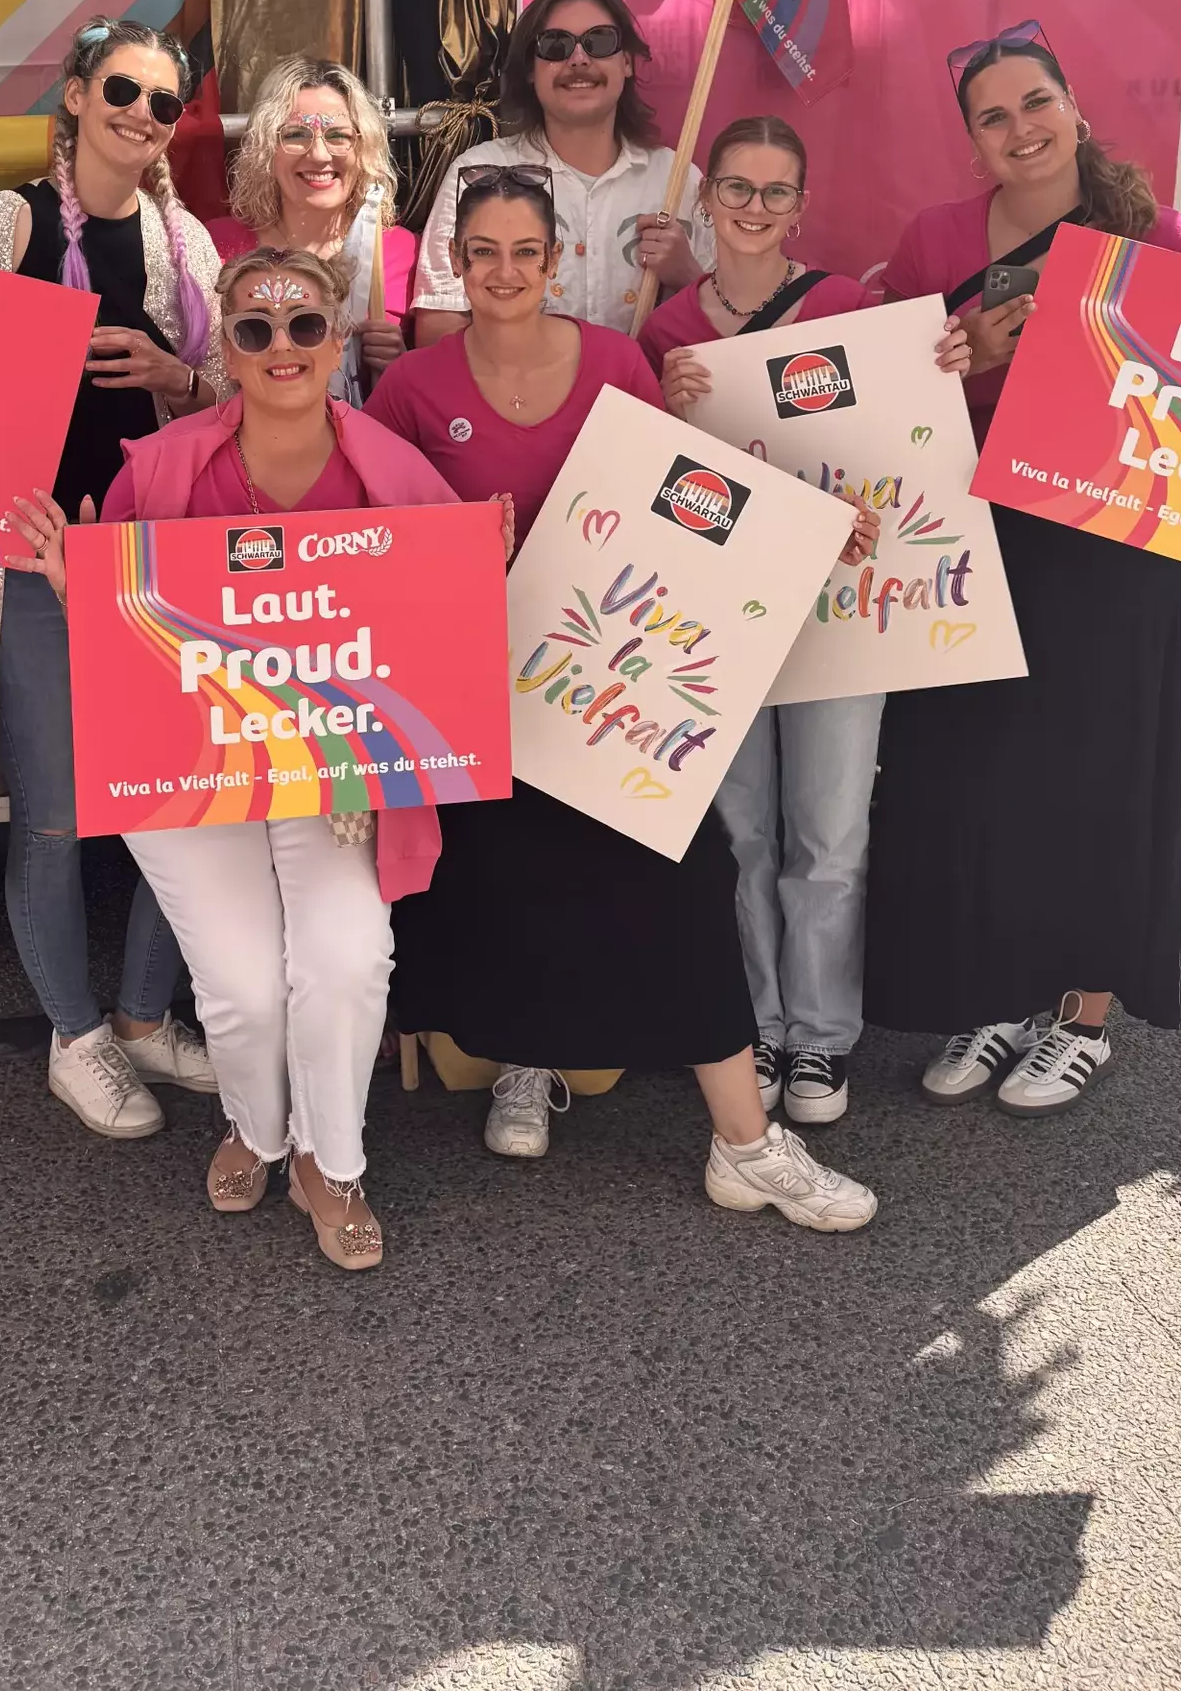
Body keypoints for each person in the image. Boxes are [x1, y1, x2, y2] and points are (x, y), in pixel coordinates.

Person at [366, 166, 878, 1231]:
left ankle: (745, 1143)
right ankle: (523, 1061)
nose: (504, 271)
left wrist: (806, 529)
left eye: (525, 251)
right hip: (485, 691)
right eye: (484, 251)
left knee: (685, 887)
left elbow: (688, 493)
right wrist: (458, 553)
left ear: (560, 262)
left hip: (620, 690)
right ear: (456, 262)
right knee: (512, 887)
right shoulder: (412, 386)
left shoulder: (612, 361)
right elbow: (378, 539)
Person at [11, 247, 462, 1273]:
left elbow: (441, 627)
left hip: (336, 774)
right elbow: (126, 643)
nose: (282, 345)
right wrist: (85, 594)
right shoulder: (164, 464)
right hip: (193, 762)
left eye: (305, 325)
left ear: (337, 338)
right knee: (244, 988)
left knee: (346, 961)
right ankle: (256, 1128)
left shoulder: (390, 467)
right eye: (255, 329)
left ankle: (330, 1161)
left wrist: (484, 563)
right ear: (228, 345)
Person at [865, 21, 1181, 1114]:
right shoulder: (934, 239)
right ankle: (1001, 992)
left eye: (1035, 103)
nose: (1020, 129)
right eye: (994, 115)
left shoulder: (1159, 235)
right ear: (973, 140)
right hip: (985, 539)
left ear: (1077, 108)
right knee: (982, 780)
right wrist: (970, 356)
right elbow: (890, 394)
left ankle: (1084, 1012)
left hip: (1121, 549)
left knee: (1103, 781)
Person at [0, 19, 224, 1140]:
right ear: (72, 92)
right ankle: (77, 1034)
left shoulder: (183, 242)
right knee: (55, 815)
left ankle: (146, 1013)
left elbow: (234, 397)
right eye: (122, 89)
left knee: (179, 803)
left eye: (163, 102)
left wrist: (176, 372)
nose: (141, 115)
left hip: (153, 560)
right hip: (23, 561)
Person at [652, 116, 971, 1128]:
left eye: (775, 191)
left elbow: (902, 433)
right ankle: (758, 1024)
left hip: (840, 612)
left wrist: (945, 358)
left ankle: (822, 1040)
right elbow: (649, 484)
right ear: (707, 199)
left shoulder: (848, 307)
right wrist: (655, 401)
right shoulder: (660, 334)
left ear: (802, 204)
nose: (753, 208)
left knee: (829, 836)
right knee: (743, 833)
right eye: (735, 188)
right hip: (722, 616)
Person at [412, 0, 712, 342]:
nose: (579, 59)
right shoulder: (477, 175)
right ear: (529, 70)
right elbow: (438, 331)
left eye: (600, 42)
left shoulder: (677, 180)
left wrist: (688, 278)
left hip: (646, 398)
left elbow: (724, 336)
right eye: (556, 46)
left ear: (629, 62)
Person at [209, 56, 413, 403]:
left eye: (339, 136)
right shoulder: (216, 245)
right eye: (295, 135)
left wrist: (405, 364)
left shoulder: (401, 251)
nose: (319, 155)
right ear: (266, 148)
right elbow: (204, 377)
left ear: (364, 147)